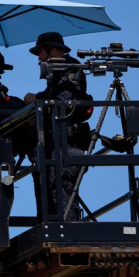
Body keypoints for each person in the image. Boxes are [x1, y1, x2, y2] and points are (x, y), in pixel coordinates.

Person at [24, 32, 89, 222]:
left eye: (40, 52)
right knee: (48, 193)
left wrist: (35, 99)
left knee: (63, 197)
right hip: (54, 146)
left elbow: (62, 99)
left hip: (67, 146)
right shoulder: (56, 75)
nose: (39, 58)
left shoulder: (71, 69)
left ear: (50, 49)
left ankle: (69, 234)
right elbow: (49, 96)